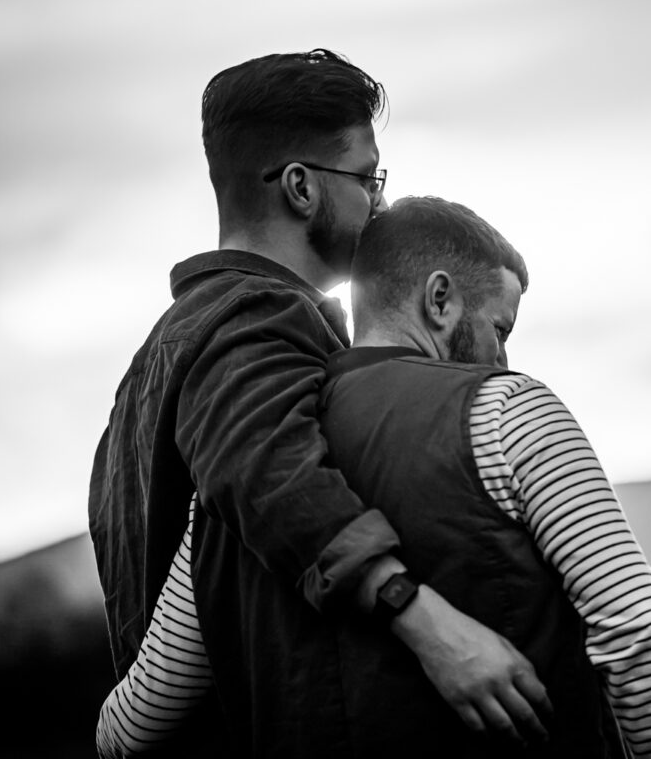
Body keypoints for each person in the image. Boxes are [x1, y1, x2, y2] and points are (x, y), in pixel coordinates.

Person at [97, 196, 651, 758]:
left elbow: (138, 721)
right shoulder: (511, 411)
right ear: (439, 299)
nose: (503, 360)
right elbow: (638, 630)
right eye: (500, 329)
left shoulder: (236, 483)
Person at [88, 52, 551, 757]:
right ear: (301, 188)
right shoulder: (256, 322)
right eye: (368, 178)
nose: (382, 205)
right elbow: (268, 475)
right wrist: (425, 619)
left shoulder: (165, 347)